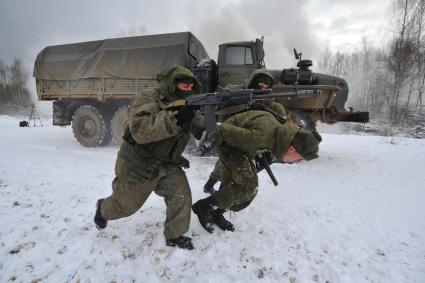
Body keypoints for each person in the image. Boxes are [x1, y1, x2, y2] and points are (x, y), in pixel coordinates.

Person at [94, 66, 204, 250]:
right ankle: (103, 208)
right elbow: (140, 130)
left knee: (181, 195)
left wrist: (216, 123)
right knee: (125, 207)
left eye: (191, 85)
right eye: (184, 84)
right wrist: (175, 119)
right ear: (172, 83)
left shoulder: (187, 104)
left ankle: (174, 235)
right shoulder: (148, 98)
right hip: (139, 164)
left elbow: (201, 127)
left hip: (167, 164)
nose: (188, 87)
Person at [192, 110, 322, 233]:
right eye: (299, 159)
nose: (295, 162)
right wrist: (203, 146)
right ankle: (204, 206)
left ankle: (216, 212)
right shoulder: (261, 136)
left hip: (245, 148)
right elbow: (221, 131)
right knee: (248, 186)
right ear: (292, 149)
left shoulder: (282, 135)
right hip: (231, 146)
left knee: (233, 184)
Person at [202, 69, 290, 194]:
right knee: (227, 166)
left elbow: (282, 119)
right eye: (259, 86)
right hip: (233, 136)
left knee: (242, 170)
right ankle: (215, 192)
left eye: (266, 88)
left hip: (254, 140)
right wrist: (245, 107)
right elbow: (220, 112)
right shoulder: (236, 92)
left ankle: (219, 192)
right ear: (252, 82)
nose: (262, 90)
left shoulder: (270, 104)